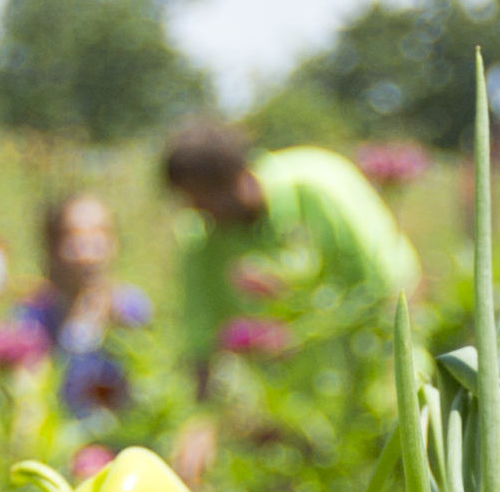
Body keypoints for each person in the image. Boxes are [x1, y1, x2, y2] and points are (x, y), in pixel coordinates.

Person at [158, 118, 415, 407]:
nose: (194, 210)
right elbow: (200, 335)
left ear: (236, 177)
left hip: (380, 379)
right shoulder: (201, 235)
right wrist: (203, 415)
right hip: (294, 409)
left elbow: (391, 287)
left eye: (200, 198)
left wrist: (396, 388)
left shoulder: (320, 187)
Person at [18, 185, 144, 423]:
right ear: (52, 247)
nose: (88, 251)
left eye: (99, 234)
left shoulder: (131, 307)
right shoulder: (35, 314)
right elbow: (30, 389)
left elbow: (146, 385)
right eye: (74, 238)